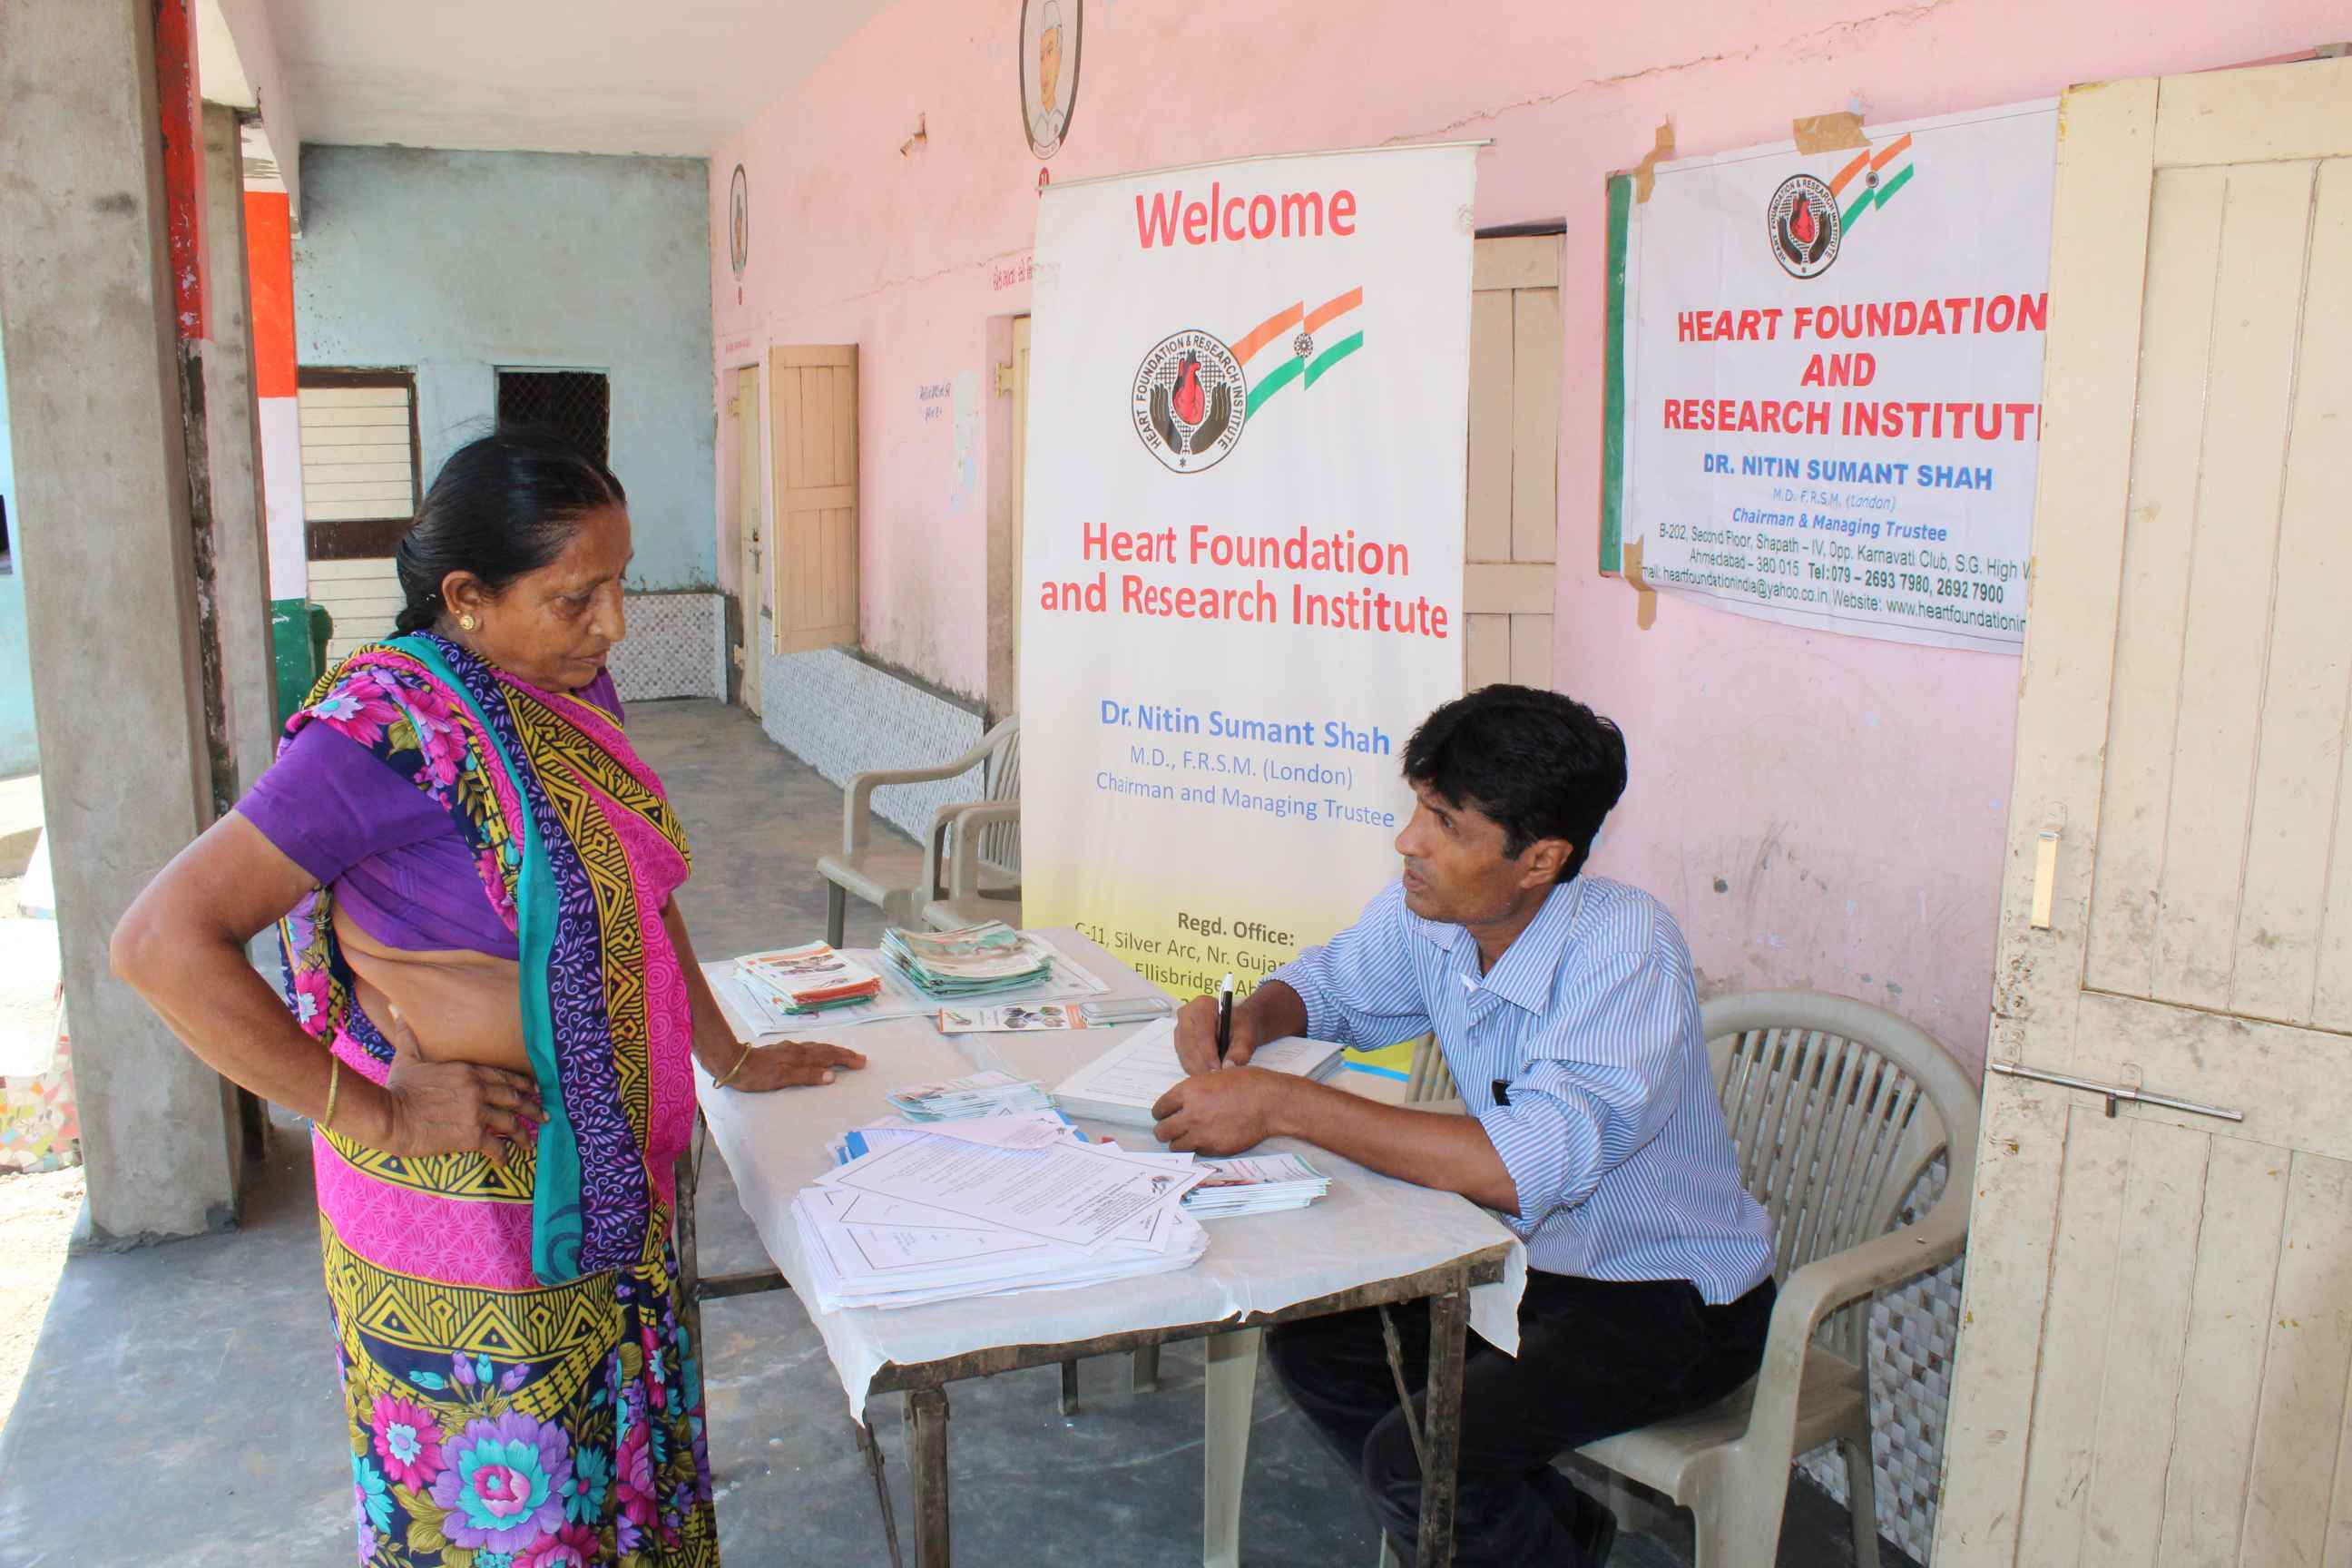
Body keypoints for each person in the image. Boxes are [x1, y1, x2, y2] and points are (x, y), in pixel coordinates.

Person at [111, 428, 865, 1567]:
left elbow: (640, 899)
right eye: (577, 597)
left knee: (612, 1492)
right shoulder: (382, 733)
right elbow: (160, 942)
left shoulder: (566, 692)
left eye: (617, 583)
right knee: (514, 1516)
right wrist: (375, 1111)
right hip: (466, 1212)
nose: (612, 623)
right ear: (466, 596)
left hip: (610, 1182)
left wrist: (727, 1054)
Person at [1152, 685, 1777, 1567]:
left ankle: (1512, 1528)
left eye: (1445, 822)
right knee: (1320, 1348)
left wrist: (1282, 1103)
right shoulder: (1437, 913)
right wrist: (1254, 1017)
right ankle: (1553, 1534)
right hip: (1520, 1263)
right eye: (1418, 809)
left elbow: (1523, 1169)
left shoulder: (1624, 947)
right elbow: (1329, 988)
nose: (1410, 842)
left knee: (1420, 1464)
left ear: (1539, 860)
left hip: (1664, 1297)